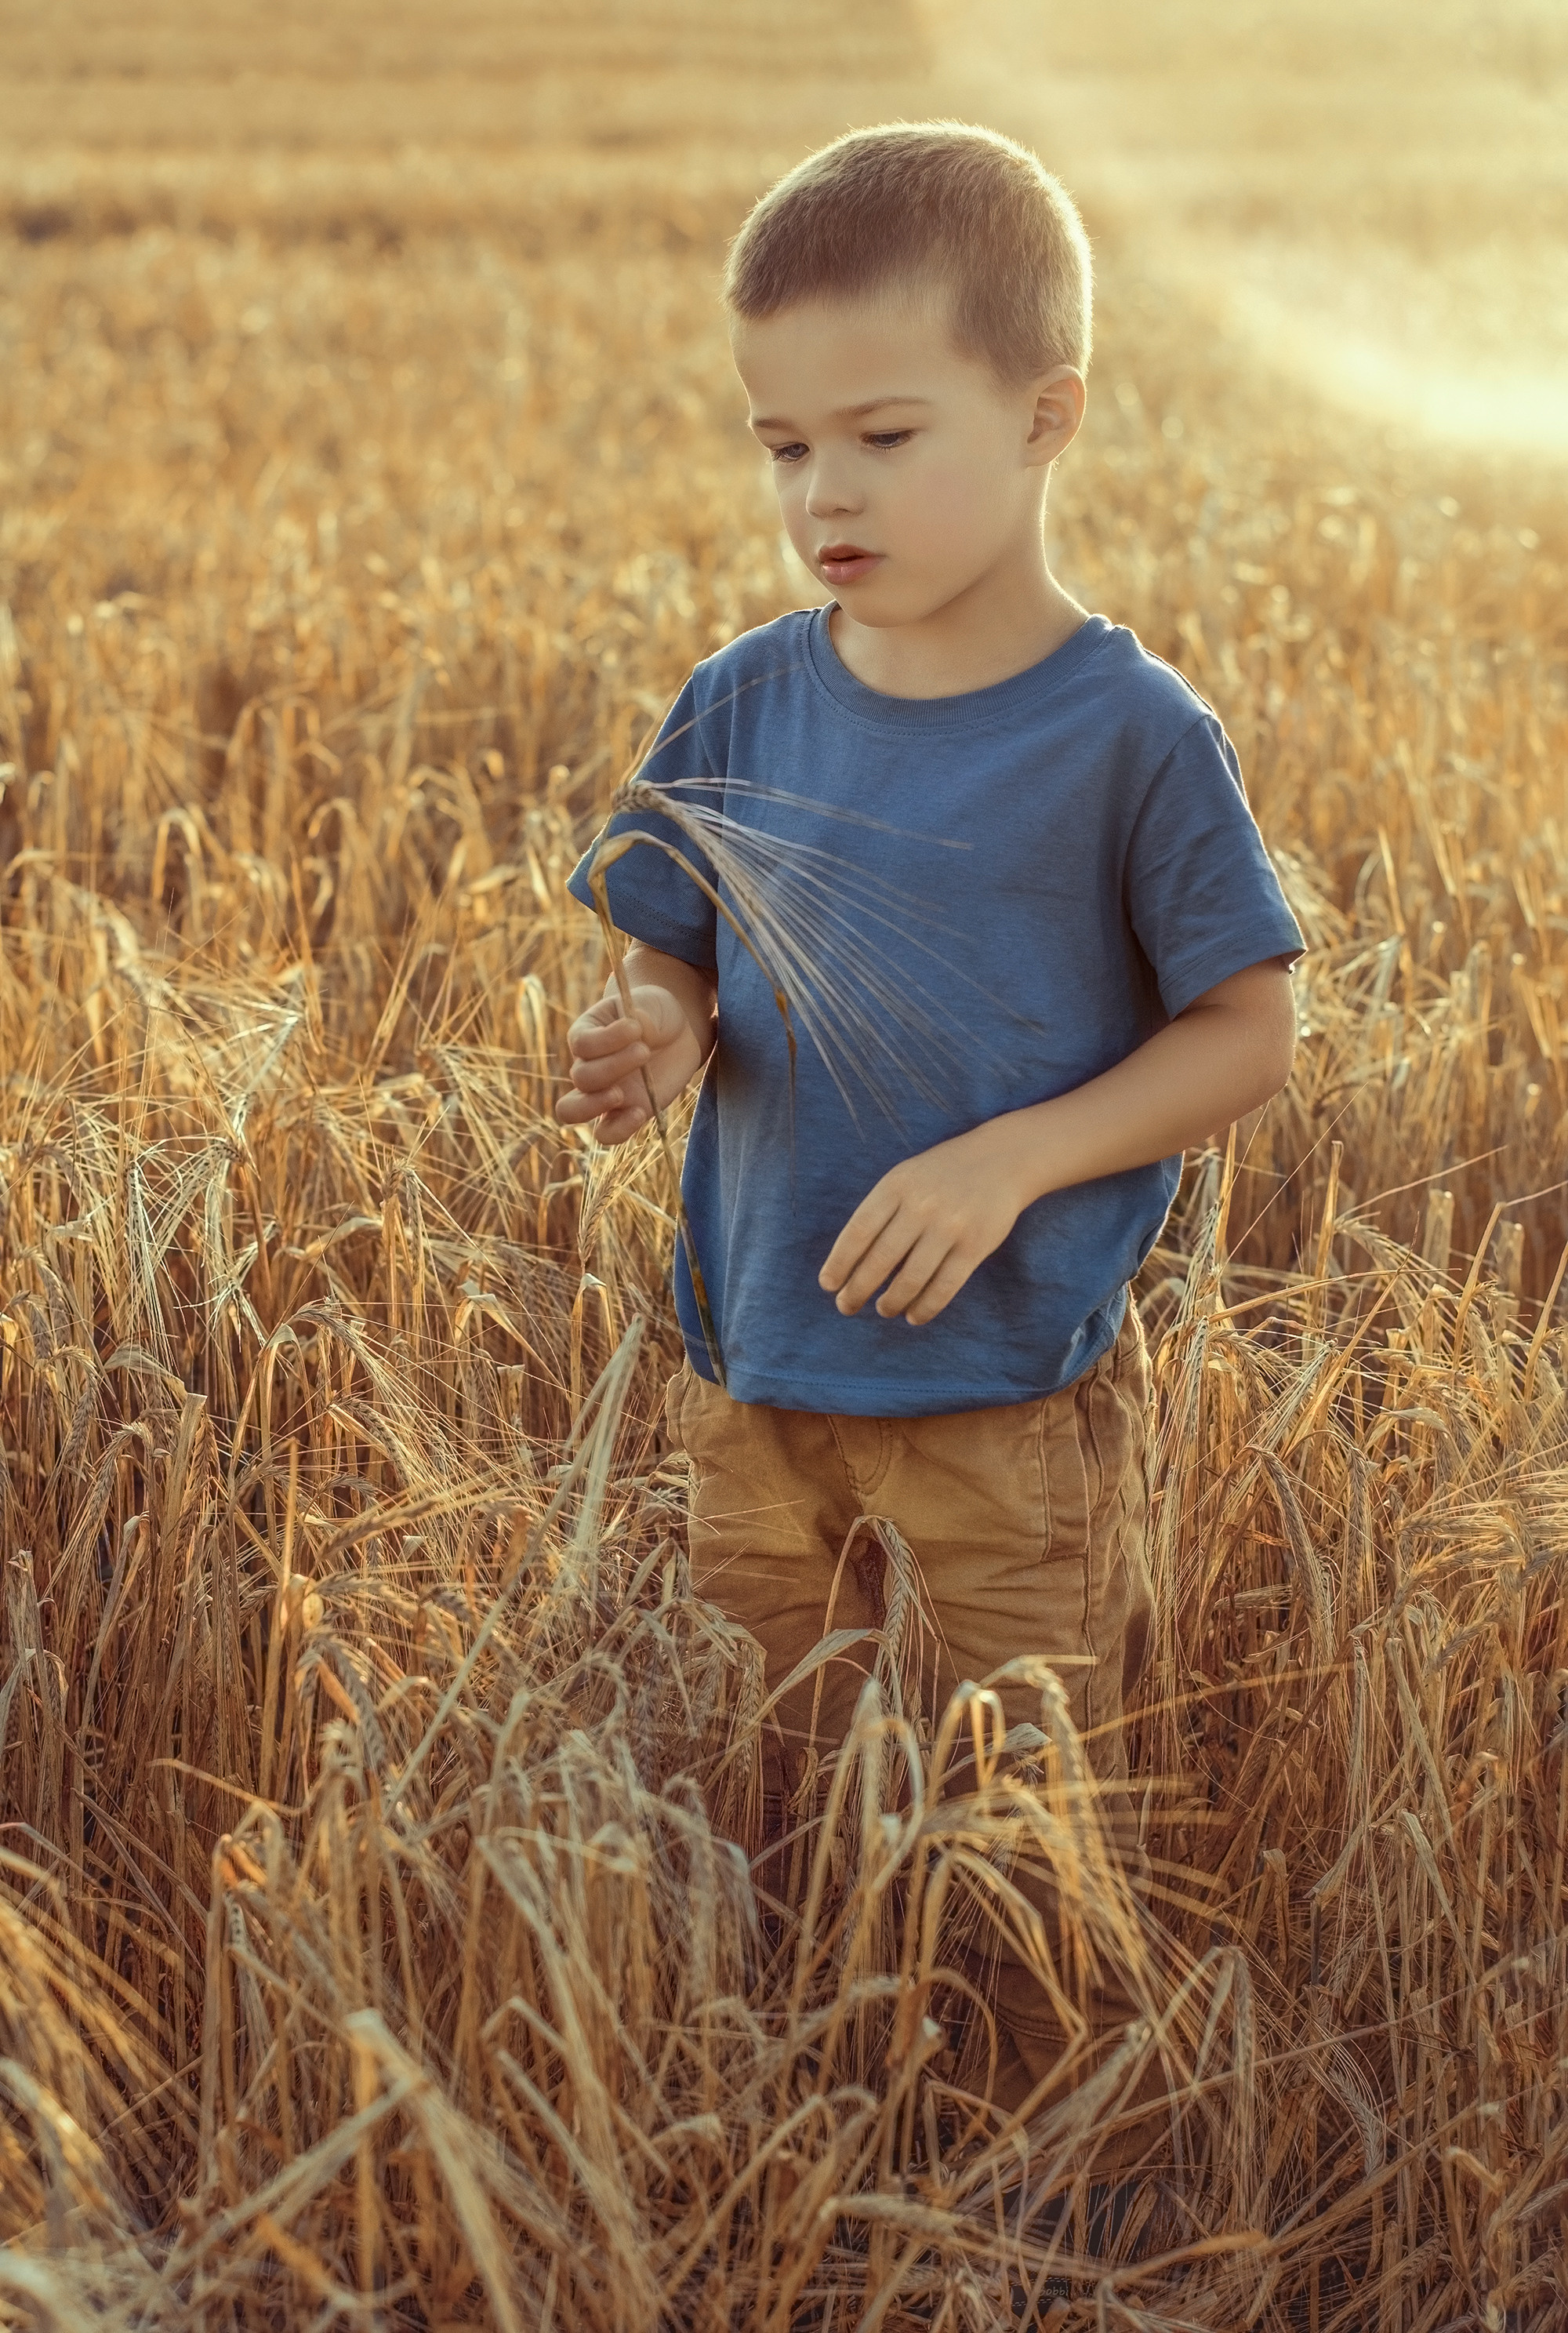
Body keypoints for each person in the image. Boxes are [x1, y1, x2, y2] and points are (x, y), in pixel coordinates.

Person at [557, 120, 1303, 2219]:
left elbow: (1250, 1031)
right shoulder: (742, 698)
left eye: (881, 435)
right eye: (780, 445)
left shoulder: (1131, 738)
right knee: (766, 1799)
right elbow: (672, 937)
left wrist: (1015, 1159)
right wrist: (655, 1029)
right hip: (759, 1365)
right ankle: (791, 2140)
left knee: (1008, 1819)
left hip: (996, 1397)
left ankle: (1021, 2171)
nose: (822, 496)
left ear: (1049, 415)